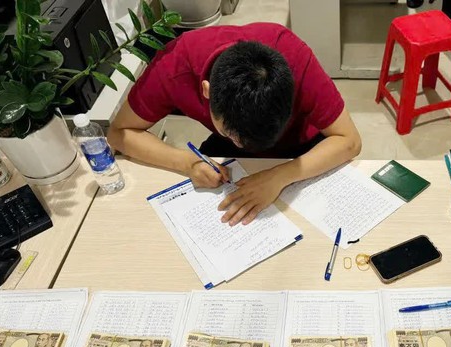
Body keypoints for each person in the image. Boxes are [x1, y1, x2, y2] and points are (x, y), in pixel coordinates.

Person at [108, 23, 362, 226]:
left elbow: (349, 140)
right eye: (231, 133)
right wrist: (187, 163)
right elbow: (119, 133)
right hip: (226, 151)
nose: (243, 146)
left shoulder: (294, 56)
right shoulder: (174, 65)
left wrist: (281, 176)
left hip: (300, 144)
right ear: (206, 91)